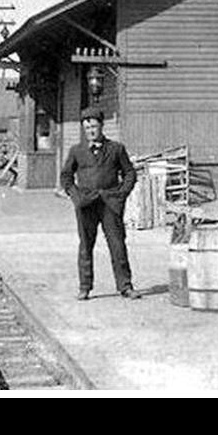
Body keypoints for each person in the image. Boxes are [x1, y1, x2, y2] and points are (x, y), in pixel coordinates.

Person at [60, 106, 141, 300]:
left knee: (117, 244)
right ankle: (85, 287)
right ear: (83, 129)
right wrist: (75, 196)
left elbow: (129, 173)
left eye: (94, 127)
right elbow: (66, 176)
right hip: (86, 204)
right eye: (87, 128)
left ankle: (125, 286)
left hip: (109, 204)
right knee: (86, 245)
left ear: (101, 127)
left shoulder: (116, 149)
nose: (91, 131)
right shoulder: (76, 151)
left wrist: (121, 194)